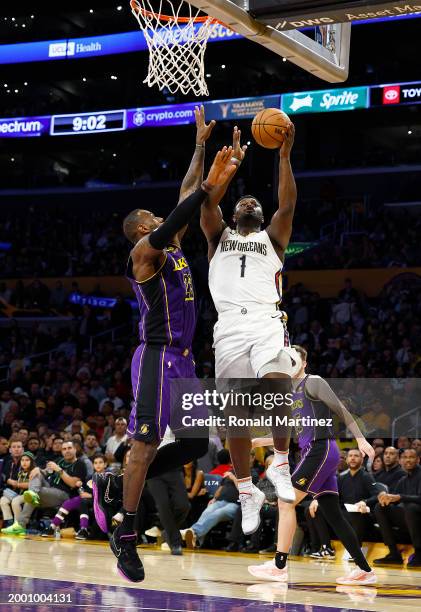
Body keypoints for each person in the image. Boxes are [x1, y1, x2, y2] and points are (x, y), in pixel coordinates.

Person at [95, 112, 239, 583]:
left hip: (184, 358)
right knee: (145, 442)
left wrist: (199, 148)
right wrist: (207, 188)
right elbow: (182, 209)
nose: (162, 219)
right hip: (157, 354)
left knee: (196, 442)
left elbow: (183, 197)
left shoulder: (171, 243)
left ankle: (118, 484)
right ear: (141, 230)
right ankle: (128, 534)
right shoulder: (145, 254)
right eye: (153, 220)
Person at [200, 122, 298, 536]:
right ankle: (246, 490)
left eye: (254, 202)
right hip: (229, 328)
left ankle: (279, 461)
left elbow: (288, 206)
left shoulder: (273, 238)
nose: (249, 203)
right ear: (234, 213)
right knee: (234, 416)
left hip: (264, 318)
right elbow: (206, 205)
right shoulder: (217, 236)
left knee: (278, 379)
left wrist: (284, 156)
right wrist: (227, 174)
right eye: (243, 201)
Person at [249, 345, 377, 586]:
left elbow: (341, 409)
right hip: (315, 452)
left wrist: (360, 439)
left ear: (303, 363)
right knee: (334, 515)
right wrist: (259, 440)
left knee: (285, 502)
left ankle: (279, 566)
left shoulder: (313, 381)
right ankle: (364, 570)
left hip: (321, 449)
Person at [1, 440, 87, 535]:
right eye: (64, 449)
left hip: (64, 494)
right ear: (62, 451)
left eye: (69, 448)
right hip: (49, 489)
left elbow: (73, 483)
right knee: (36, 475)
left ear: (75, 449)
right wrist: (38, 469)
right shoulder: (59, 460)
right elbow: (46, 472)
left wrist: (59, 470)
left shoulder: (80, 464)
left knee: (33, 494)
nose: (67, 451)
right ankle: (31, 497)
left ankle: (20, 525)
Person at [42, 453, 108, 540]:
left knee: (83, 502)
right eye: (95, 463)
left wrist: (91, 495)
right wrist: (80, 486)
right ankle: (52, 527)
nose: (98, 465)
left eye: (100, 462)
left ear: (105, 464)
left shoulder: (108, 477)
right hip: (86, 499)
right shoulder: (90, 477)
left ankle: (83, 529)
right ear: (93, 465)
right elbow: (83, 490)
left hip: (99, 501)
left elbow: (108, 493)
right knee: (68, 503)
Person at [374, 448, 421, 567]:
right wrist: (386, 499)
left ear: (418, 460)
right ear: (400, 461)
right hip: (408, 518)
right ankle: (394, 554)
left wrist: (400, 497)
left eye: (411, 457)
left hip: (417, 516)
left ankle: (419, 554)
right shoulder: (403, 480)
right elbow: (394, 499)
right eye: (405, 458)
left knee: (411, 507)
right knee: (380, 507)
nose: (408, 460)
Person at [338, 449, 382, 547]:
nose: (353, 458)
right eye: (350, 456)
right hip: (345, 513)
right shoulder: (341, 478)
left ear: (362, 460)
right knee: (320, 510)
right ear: (346, 459)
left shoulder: (366, 476)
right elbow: (335, 498)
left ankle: (356, 550)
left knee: (355, 514)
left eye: (356, 456)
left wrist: (364, 502)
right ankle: (325, 547)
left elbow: (377, 495)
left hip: (363, 514)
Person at [0, 451, 35, 528]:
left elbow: (32, 485)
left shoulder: (34, 471)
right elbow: (12, 482)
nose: (24, 462)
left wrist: (17, 484)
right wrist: (11, 482)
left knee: (15, 501)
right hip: (18, 493)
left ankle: (18, 525)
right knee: (3, 500)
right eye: (22, 460)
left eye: (27, 460)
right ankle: (8, 522)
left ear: (32, 461)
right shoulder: (20, 471)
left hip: (30, 494)